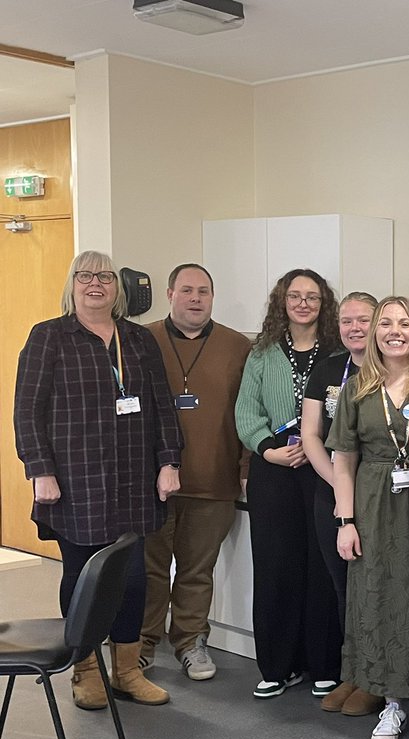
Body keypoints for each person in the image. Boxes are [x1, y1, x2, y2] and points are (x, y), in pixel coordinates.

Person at [14, 250, 182, 709]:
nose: (95, 283)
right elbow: (27, 411)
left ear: (117, 287)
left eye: (104, 276)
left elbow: (162, 406)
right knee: (81, 574)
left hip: (133, 477)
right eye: (85, 276)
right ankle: (84, 669)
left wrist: (169, 462)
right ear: (72, 284)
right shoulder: (50, 337)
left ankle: (127, 670)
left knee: (132, 577)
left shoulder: (138, 340)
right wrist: (40, 470)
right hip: (74, 478)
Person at [328, 296, 409, 739]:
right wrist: (345, 520)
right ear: (374, 333)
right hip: (372, 504)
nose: (395, 331)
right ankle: (391, 703)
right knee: (378, 596)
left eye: (404, 323)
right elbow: (344, 459)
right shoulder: (358, 389)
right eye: (386, 323)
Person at [141, 263, 251, 682]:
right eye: (186, 290)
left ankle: (189, 641)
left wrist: (244, 468)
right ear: (169, 293)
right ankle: (142, 644)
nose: (195, 299)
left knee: (195, 571)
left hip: (213, 482)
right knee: (150, 568)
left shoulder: (237, 346)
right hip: (151, 484)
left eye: (203, 291)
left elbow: (248, 413)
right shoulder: (142, 340)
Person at [235, 268, 342, 699]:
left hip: (325, 465)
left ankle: (323, 663)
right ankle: (278, 666)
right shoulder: (261, 353)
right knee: (277, 565)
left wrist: (318, 448)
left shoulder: (337, 353)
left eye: (312, 297)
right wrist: (268, 449)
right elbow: (246, 410)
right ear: (282, 301)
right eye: (295, 296)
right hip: (274, 466)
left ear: (323, 304)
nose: (303, 304)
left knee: (321, 565)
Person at [300, 291, 380, 716]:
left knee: (377, 586)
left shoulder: (393, 369)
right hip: (332, 492)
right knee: (343, 586)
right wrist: (338, 485)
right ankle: (352, 672)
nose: (354, 328)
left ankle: (376, 675)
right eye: (346, 321)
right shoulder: (329, 368)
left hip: (384, 493)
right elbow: (311, 433)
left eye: (363, 320)